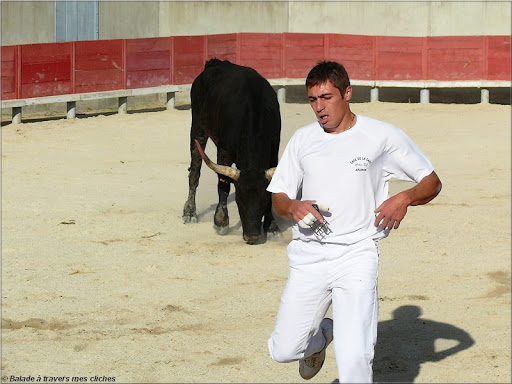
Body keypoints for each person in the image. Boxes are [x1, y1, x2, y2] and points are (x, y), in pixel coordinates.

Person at [266, 61, 442, 383]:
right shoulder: (303, 139)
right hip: (309, 255)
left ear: (347, 93)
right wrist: (292, 206)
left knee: (355, 362)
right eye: (312, 100)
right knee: (284, 350)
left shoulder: (381, 136)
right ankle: (322, 336)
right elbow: (278, 197)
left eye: (326, 97)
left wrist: (403, 198)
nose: (319, 108)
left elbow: (432, 182)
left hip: (357, 254)